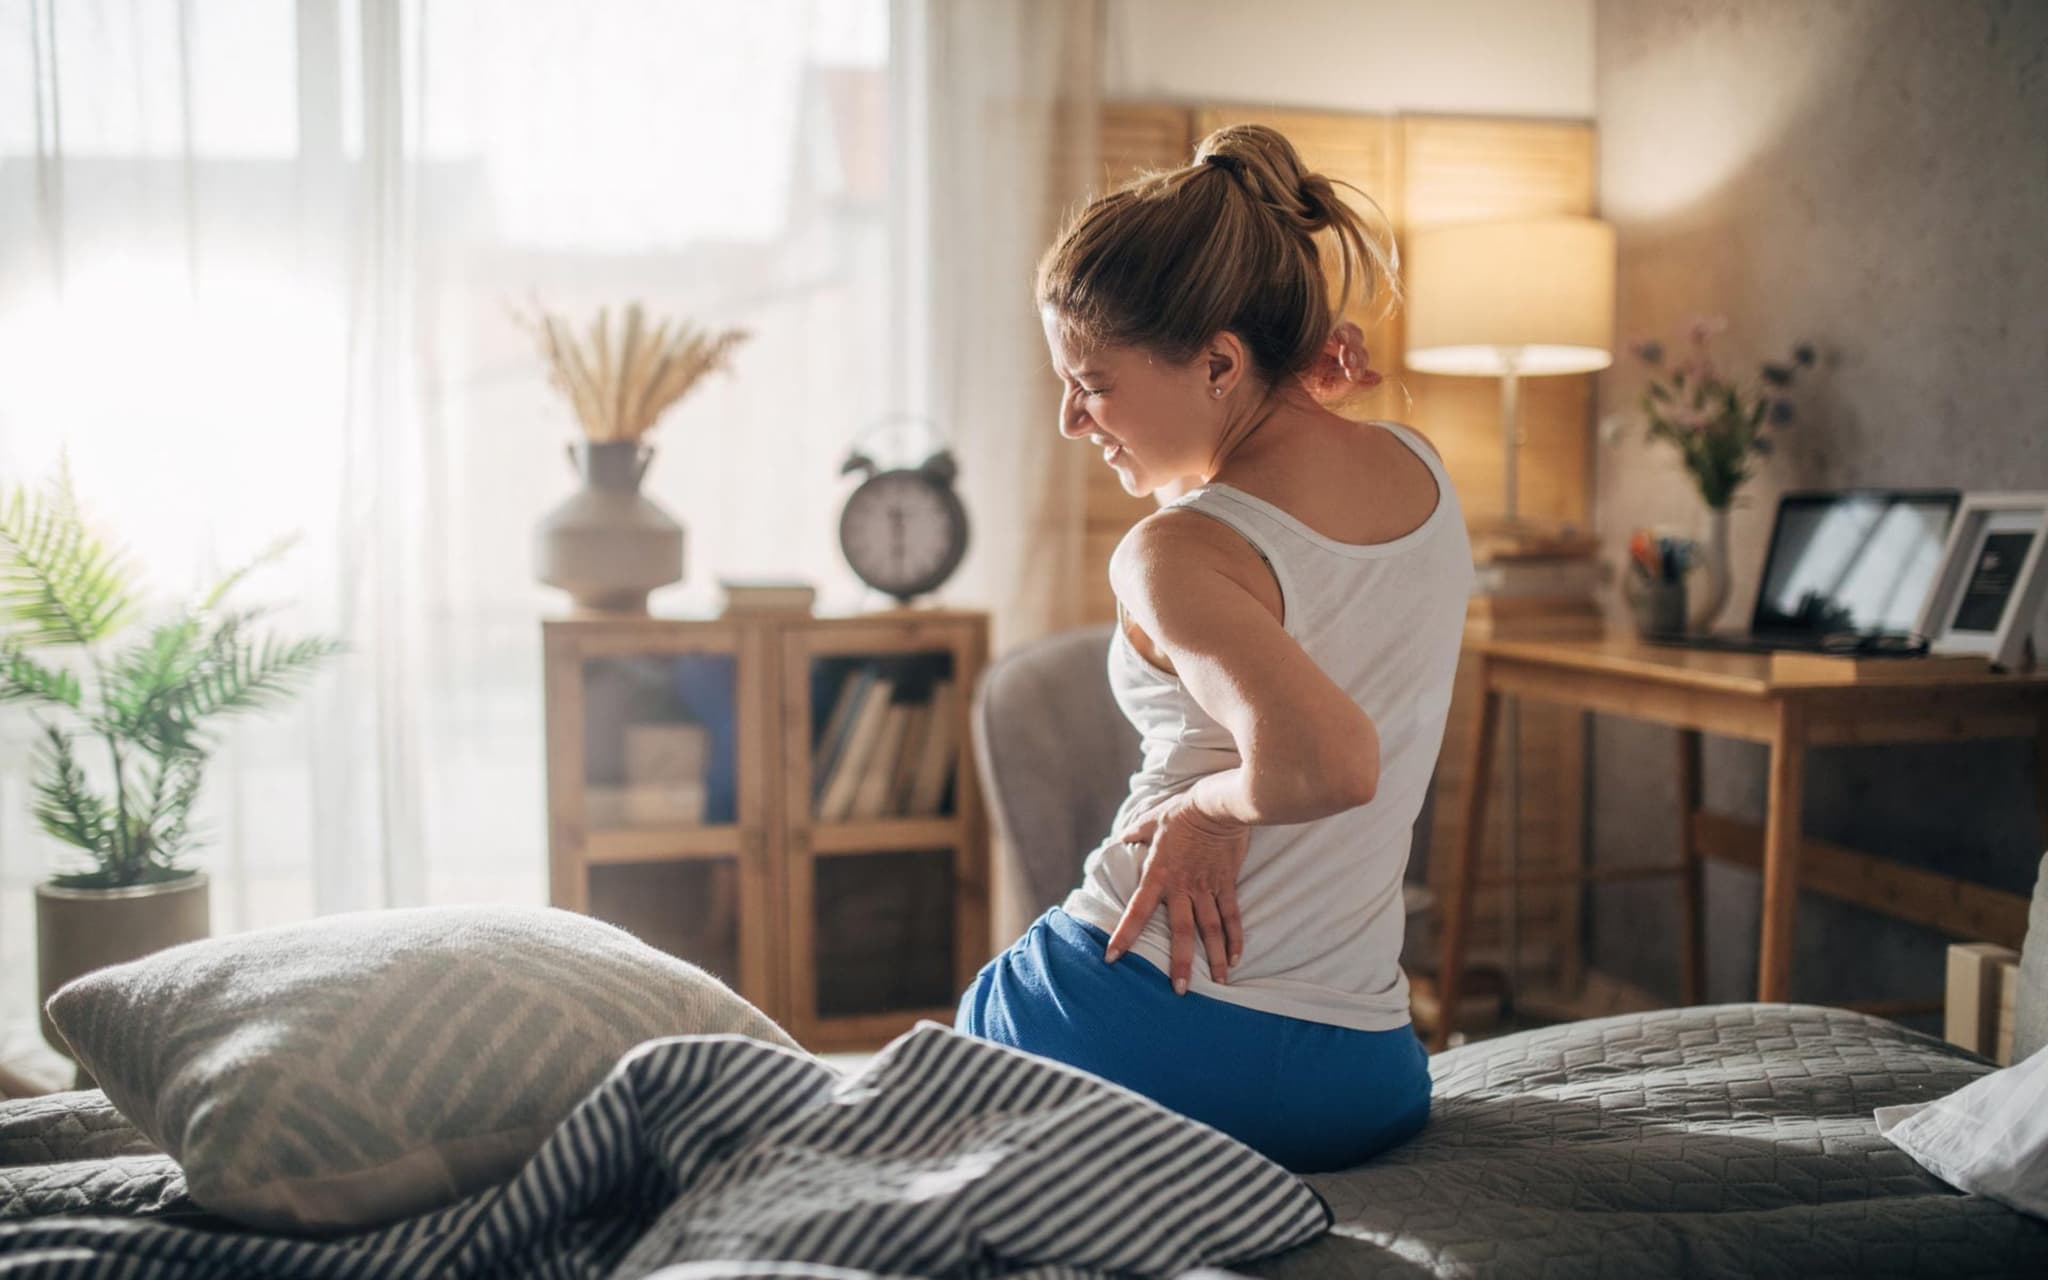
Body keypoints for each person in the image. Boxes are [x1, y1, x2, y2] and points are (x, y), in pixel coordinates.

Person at [952, 123, 1473, 1174]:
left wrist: (1202, 808)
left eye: (1090, 382)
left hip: (1137, 1030)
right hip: (1361, 1071)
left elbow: (1327, 762)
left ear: (1220, 360)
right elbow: (1308, 532)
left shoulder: (1173, 549)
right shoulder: (1422, 476)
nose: (1068, 418)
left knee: (961, 1032)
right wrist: (1281, 389)